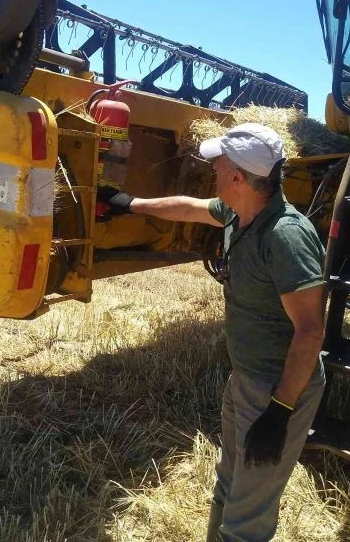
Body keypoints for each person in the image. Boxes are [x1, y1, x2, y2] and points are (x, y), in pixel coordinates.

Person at [99, 123, 327, 542]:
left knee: (247, 516)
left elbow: (310, 331)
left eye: (219, 166)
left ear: (238, 177)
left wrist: (279, 411)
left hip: (277, 391)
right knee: (228, 485)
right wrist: (130, 204)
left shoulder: (285, 237)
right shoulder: (239, 213)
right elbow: (186, 207)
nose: (213, 172)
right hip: (246, 379)